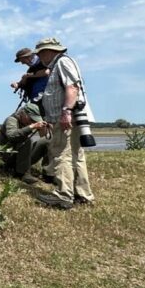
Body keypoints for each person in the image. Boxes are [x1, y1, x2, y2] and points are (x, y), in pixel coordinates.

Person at [34, 37, 95, 209]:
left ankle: (63, 195)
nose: (39, 57)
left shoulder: (62, 62)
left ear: (48, 51)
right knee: (76, 156)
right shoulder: (60, 63)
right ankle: (83, 195)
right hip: (70, 117)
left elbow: (72, 88)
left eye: (40, 53)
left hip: (65, 119)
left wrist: (66, 111)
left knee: (62, 155)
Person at [0, 102, 50, 183]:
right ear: (24, 114)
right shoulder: (11, 120)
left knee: (47, 141)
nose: (32, 122)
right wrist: (31, 127)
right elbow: (12, 136)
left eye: (34, 120)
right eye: (31, 119)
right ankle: (23, 174)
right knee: (27, 141)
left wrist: (44, 128)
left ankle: (48, 174)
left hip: (21, 156)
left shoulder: (26, 122)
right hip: (8, 155)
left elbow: (43, 136)